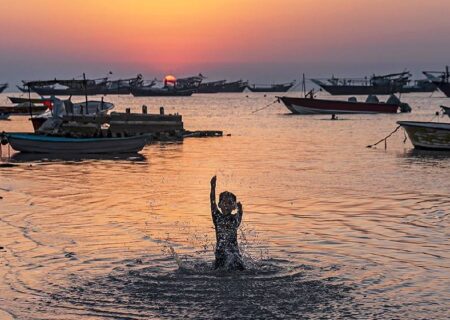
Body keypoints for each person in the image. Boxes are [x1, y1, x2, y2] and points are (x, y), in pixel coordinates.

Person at [210, 176, 245, 271]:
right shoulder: (217, 217)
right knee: (218, 270)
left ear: (233, 207)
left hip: (234, 254)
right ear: (219, 205)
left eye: (229, 202)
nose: (226, 204)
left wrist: (240, 209)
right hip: (220, 253)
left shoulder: (234, 219)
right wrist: (213, 187)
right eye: (224, 202)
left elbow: (240, 214)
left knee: (239, 266)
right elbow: (212, 202)